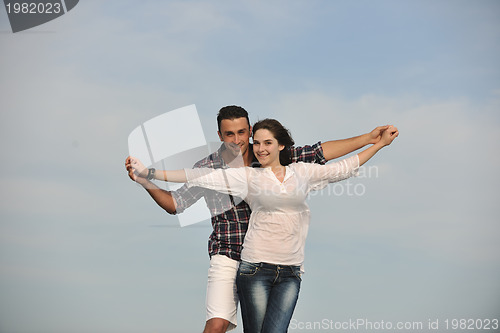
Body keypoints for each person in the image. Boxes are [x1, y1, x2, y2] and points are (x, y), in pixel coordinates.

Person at [125, 105, 392, 332]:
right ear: (219, 135)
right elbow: (175, 203)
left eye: (242, 132)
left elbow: (321, 154)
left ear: (250, 131)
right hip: (228, 254)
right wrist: (145, 180)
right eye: (229, 134)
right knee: (216, 326)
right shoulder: (208, 168)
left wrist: (369, 138)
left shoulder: (271, 155)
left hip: (270, 258)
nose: (237, 139)